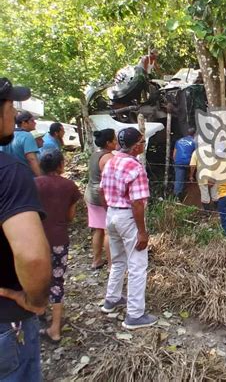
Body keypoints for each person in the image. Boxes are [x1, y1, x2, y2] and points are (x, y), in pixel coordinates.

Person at [0, 77, 51, 381]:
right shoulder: (9, 173)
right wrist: (36, 300)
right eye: (11, 106)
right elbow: (33, 257)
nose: (15, 114)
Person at [100, 127, 157, 330]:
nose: (143, 145)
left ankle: (111, 299)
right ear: (135, 147)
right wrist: (142, 231)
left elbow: (101, 191)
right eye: (141, 142)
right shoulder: (135, 168)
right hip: (127, 217)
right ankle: (134, 314)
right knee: (137, 265)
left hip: (112, 214)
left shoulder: (110, 161)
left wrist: (111, 211)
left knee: (118, 261)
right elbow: (137, 203)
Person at [35, 150, 82, 343]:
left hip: (35, 240)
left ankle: (38, 311)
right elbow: (70, 217)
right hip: (59, 240)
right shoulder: (69, 186)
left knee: (36, 278)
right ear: (61, 165)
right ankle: (55, 329)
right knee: (57, 281)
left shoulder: (32, 184)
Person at [85, 129, 117, 270]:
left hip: (91, 194)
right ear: (108, 143)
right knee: (108, 231)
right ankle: (111, 265)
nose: (116, 142)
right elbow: (110, 181)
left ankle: (96, 260)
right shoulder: (109, 158)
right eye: (114, 140)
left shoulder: (95, 154)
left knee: (98, 229)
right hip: (102, 196)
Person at [0, 110, 41, 176]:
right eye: (32, 121)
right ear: (24, 123)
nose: (35, 123)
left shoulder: (7, 135)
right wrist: (41, 177)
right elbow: (32, 159)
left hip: (7, 176)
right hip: (24, 177)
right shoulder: (27, 136)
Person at [173, 128, 196, 200]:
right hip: (189, 162)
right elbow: (195, 156)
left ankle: (177, 197)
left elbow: (174, 154)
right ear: (195, 134)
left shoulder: (179, 141)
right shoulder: (195, 142)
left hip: (178, 162)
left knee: (178, 180)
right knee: (193, 176)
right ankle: (192, 195)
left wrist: (176, 162)